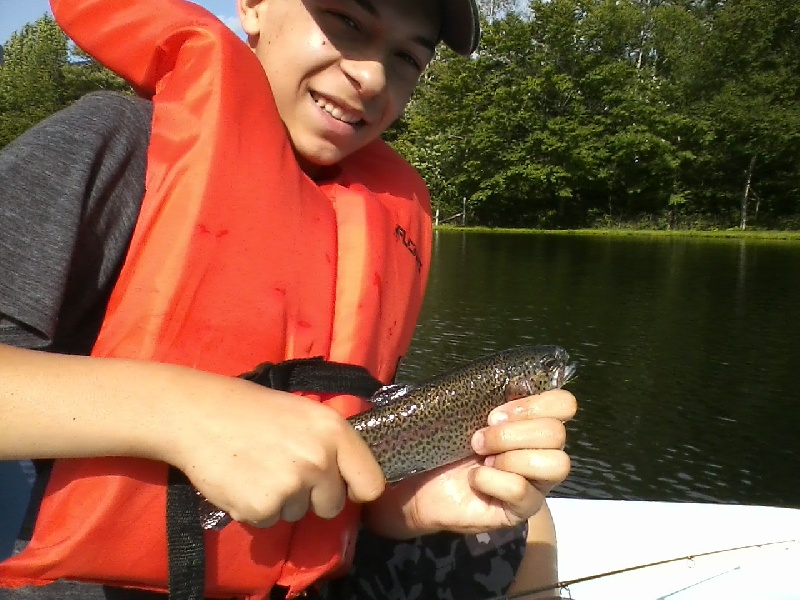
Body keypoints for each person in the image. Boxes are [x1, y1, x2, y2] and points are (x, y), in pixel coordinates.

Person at [0, 0, 577, 598]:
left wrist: (403, 506)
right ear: (252, 6)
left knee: (527, 522)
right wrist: (180, 414)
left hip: (306, 573)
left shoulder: (395, 219)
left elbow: (350, 436)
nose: (372, 75)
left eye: (407, 56)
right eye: (347, 21)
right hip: (99, 582)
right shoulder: (112, 144)